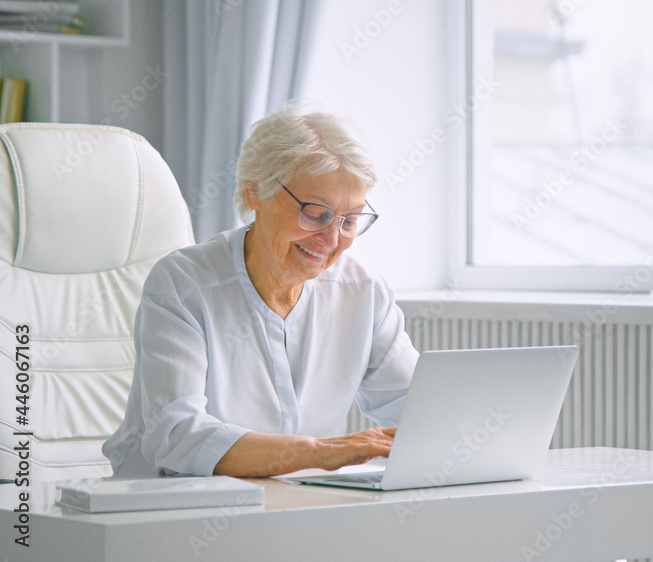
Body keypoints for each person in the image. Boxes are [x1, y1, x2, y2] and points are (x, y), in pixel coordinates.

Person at [103, 107, 418, 478]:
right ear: (255, 191)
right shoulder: (184, 285)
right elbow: (177, 437)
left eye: (349, 221)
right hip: (171, 511)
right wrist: (318, 452)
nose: (332, 240)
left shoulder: (364, 294)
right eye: (316, 214)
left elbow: (420, 409)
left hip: (296, 509)